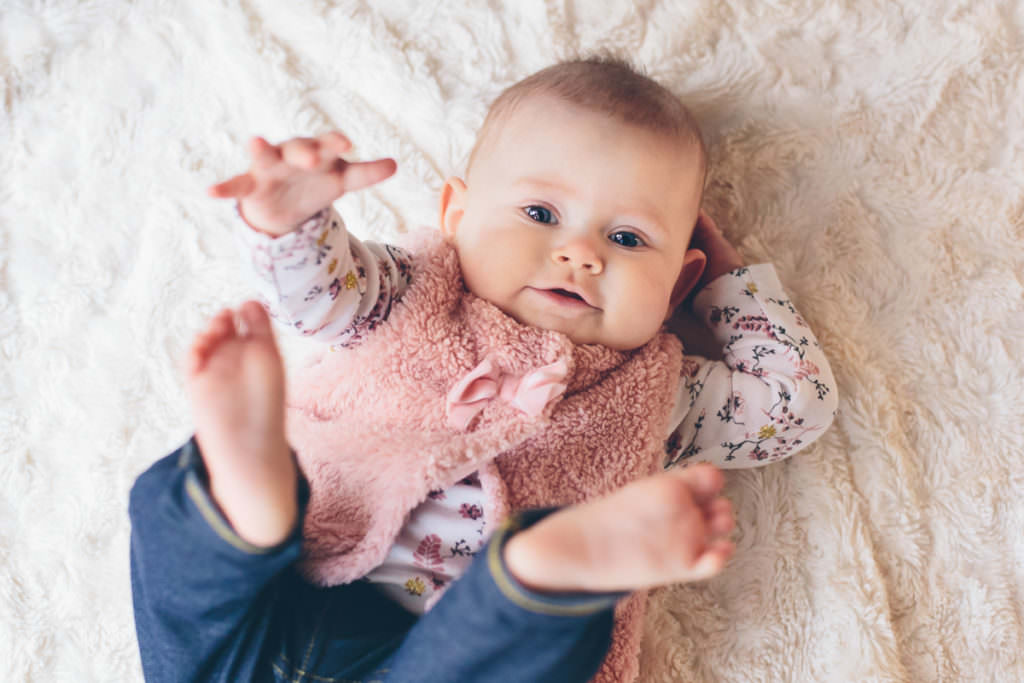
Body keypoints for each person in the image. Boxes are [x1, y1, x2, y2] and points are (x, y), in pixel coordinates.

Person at [129, 57, 838, 683]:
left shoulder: (662, 391)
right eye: (539, 211)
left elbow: (790, 404)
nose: (581, 254)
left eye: (627, 238)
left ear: (675, 285)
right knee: (182, 574)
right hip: (298, 564)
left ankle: (538, 575)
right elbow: (321, 294)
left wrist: (725, 282)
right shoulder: (415, 290)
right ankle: (247, 503)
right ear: (457, 216)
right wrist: (292, 224)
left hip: (453, 650)